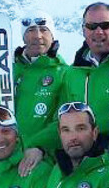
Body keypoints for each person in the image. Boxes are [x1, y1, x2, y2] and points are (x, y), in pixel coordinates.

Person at [27, 2, 109, 151]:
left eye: (105, 25)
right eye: (92, 26)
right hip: (82, 160)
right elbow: (61, 120)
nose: (99, 32)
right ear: (83, 30)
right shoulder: (73, 74)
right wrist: (39, 147)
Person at [8, 13, 67, 174]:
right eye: (31, 30)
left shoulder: (64, 73)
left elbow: (64, 120)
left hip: (43, 160)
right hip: (6, 158)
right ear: (23, 36)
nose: (37, 36)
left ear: (52, 35)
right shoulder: (7, 71)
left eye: (44, 30)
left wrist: (39, 145)